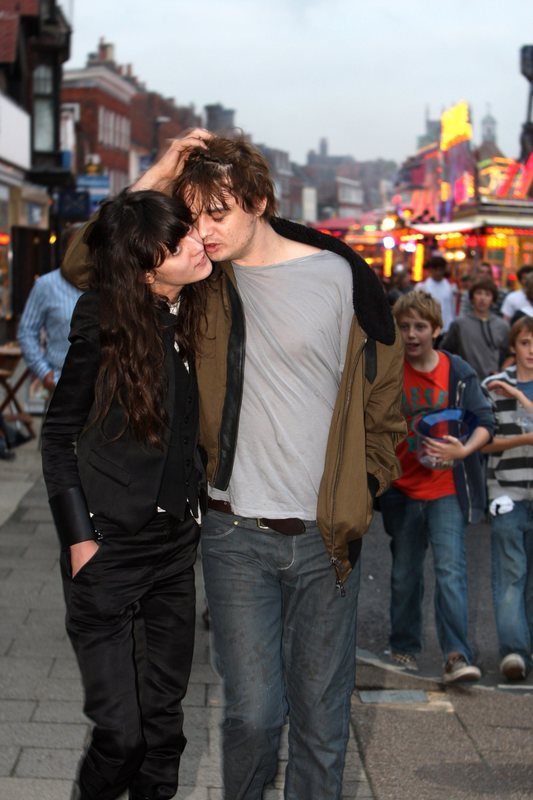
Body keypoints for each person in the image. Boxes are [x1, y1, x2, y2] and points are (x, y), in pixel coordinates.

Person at [63, 132, 406, 800]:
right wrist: (160, 170)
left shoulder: (341, 277)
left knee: (321, 725)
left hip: (326, 538)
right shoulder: (201, 281)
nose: (205, 232)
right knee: (252, 716)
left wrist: (364, 486)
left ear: (259, 202)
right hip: (232, 532)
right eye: (194, 216)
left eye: (218, 213)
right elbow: (87, 264)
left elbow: (383, 406)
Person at [41, 189, 212, 800]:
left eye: (188, 230)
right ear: (145, 270)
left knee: (163, 731)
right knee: (120, 737)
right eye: (179, 241)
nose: (196, 243)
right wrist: (79, 539)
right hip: (108, 550)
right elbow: (57, 436)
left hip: (173, 549)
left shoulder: (195, 308)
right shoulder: (104, 321)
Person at [379, 290, 494, 683]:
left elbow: (485, 421)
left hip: (446, 488)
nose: (411, 334)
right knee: (405, 574)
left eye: (420, 326)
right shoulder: (387, 369)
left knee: (451, 572)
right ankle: (404, 648)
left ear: (437, 329)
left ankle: (456, 655)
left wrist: (464, 450)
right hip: (401, 489)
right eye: (404, 326)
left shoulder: (456, 371)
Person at [481, 315, 533, 682]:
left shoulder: (509, 390)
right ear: (513, 346)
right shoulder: (493, 386)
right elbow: (484, 441)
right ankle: (514, 650)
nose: (532, 351)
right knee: (512, 573)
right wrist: (525, 439)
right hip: (507, 492)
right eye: (525, 343)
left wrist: (517, 396)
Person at [17, 231, 83, 393]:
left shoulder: (105, 286)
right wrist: (44, 372)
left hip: (102, 388)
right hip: (62, 383)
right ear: (66, 251)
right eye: (76, 248)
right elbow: (26, 332)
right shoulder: (46, 285)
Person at [441, 278, 510, 380]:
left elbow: (511, 353)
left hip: (492, 382)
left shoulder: (502, 325)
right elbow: (445, 351)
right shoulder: (460, 324)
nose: (482, 298)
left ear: (493, 300)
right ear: (472, 297)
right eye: (479, 293)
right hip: (466, 380)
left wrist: (501, 372)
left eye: (487, 294)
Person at [415, 253, 456, 333]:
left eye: (440, 270)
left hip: (447, 327)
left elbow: (453, 308)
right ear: (431, 270)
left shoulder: (451, 286)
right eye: (435, 270)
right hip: (428, 328)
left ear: (444, 270)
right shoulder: (422, 287)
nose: (438, 272)